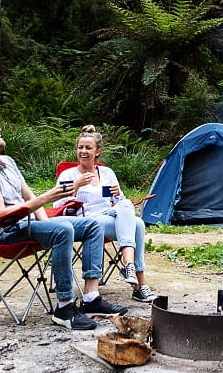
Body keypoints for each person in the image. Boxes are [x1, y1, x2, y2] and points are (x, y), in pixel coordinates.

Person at [0, 115, 129, 330]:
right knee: (63, 229)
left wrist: (47, 223)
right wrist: (48, 200)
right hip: (4, 233)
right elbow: (0, 217)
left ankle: (91, 298)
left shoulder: (8, 162)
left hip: (27, 224)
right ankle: (65, 308)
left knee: (92, 225)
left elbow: (29, 196)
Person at [53, 125, 155, 303]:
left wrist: (117, 195)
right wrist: (75, 187)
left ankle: (130, 267)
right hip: (88, 221)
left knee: (129, 210)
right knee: (136, 224)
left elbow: (117, 203)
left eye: (88, 148)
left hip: (110, 215)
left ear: (98, 151)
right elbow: (58, 207)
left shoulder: (107, 173)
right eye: (80, 147)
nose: (83, 151)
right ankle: (137, 282)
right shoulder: (68, 175)